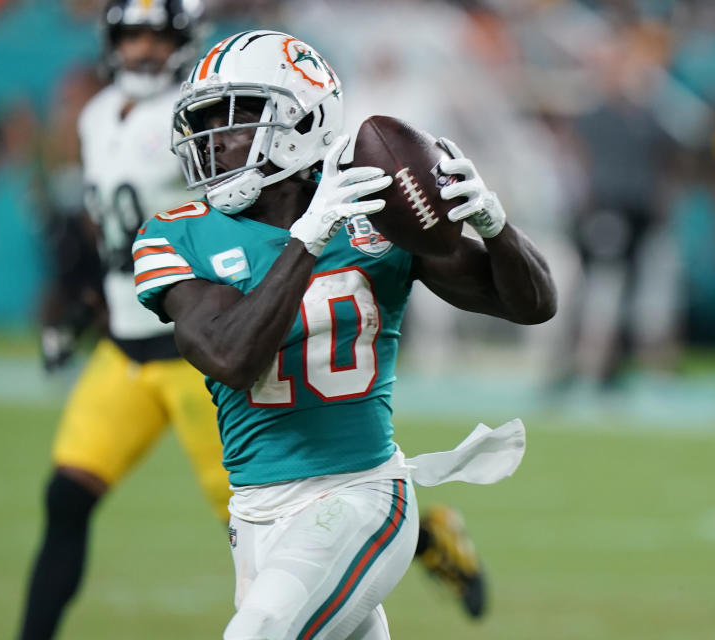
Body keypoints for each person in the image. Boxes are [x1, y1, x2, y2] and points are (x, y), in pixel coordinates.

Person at [134, 30, 556, 639]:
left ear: (302, 122)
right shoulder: (180, 233)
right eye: (207, 122)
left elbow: (533, 305)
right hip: (255, 513)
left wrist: (495, 226)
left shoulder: (374, 214)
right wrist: (307, 239)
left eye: (238, 121)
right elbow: (229, 355)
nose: (217, 141)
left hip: (361, 493)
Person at [17, 2, 229, 638]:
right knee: (66, 497)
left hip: (200, 354)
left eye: (156, 35)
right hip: (125, 349)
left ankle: (426, 540)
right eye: (131, 35)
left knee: (270, 517)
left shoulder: (200, 116)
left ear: (181, 40)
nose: (142, 49)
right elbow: (110, 238)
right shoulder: (96, 115)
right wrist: (81, 310)